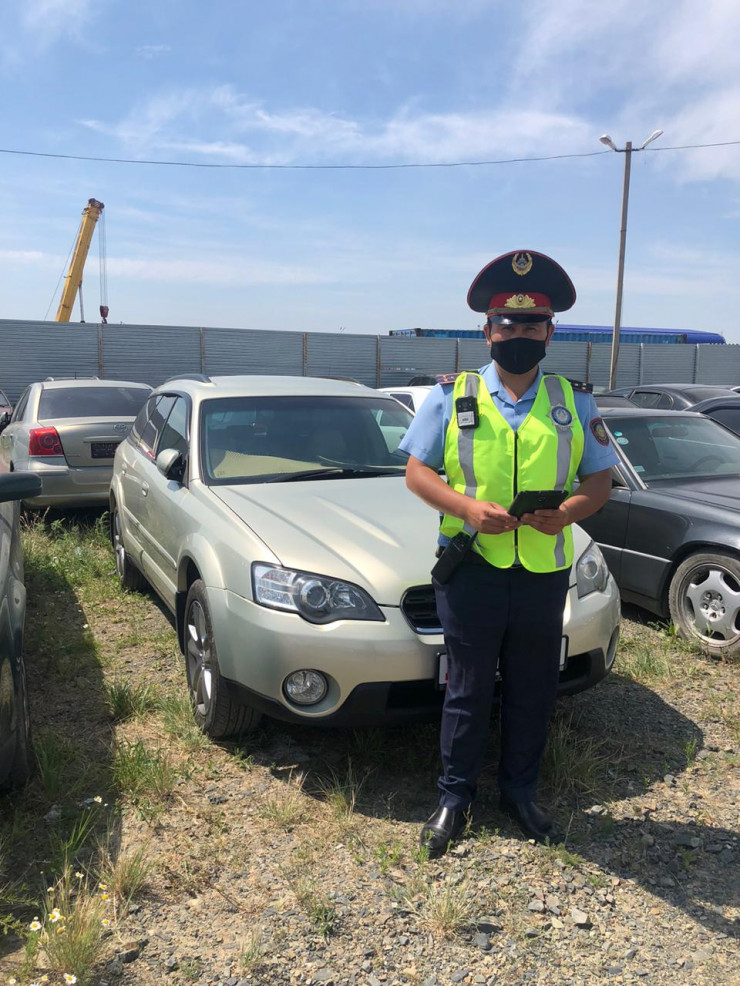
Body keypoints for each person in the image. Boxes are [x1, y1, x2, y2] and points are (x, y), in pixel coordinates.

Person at [398, 250, 619, 858]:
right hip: (472, 568)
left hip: (543, 571)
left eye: (532, 324)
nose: (518, 334)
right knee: (467, 688)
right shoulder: (450, 396)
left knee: (532, 688)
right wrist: (468, 509)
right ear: (487, 331)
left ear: (550, 332)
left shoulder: (574, 401)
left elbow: (599, 482)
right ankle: (454, 797)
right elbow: (417, 474)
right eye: (507, 324)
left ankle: (520, 793)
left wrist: (568, 513)